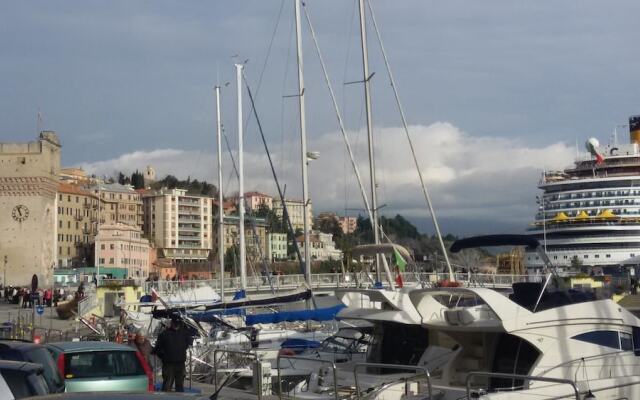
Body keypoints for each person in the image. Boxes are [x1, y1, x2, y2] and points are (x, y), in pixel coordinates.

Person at [152, 315, 191, 392]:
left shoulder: (184, 333)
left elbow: (186, 345)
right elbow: (158, 349)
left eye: (178, 324)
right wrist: (164, 357)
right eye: (175, 323)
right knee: (167, 386)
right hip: (169, 364)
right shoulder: (164, 334)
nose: (176, 325)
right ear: (171, 323)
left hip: (180, 363)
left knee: (179, 386)